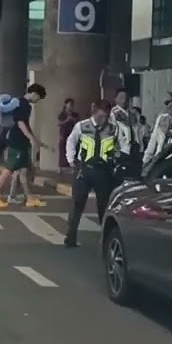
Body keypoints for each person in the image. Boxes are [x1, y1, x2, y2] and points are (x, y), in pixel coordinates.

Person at [63, 99, 122, 248]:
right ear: (94, 112)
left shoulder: (113, 128)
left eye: (106, 116)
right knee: (77, 204)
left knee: (104, 206)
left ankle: (106, 240)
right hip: (84, 169)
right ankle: (70, 237)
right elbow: (71, 141)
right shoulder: (82, 126)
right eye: (101, 116)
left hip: (103, 171)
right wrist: (70, 159)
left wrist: (117, 161)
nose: (103, 120)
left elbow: (120, 146)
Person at [0, 83, 48, 209]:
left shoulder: (23, 104)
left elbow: (25, 125)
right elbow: (20, 123)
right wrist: (31, 138)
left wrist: (33, 139)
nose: (37, 101)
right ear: (34, 94)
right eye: (38, 98)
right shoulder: (21, 104)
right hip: (17, 141)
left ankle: (29, 198)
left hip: (21, 141)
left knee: (23, 171)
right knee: (9, 168)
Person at [109, 88, 140, 179]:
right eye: (121, 97)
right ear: (115, 99)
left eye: (126, 98)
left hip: (135, 148)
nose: (124, 100)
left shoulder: (134, 113)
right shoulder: (113, 113)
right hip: (122, 148)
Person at [56, 98, 79, 172]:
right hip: (64, 134)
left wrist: (73, 120)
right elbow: (58, 123)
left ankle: (72, 166)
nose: (71, 106)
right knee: (62, 150)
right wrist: (67, 120)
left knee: (72, 149)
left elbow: (78, 123)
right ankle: (60, 167)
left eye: (72, 105)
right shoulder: (62, 114)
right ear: (66, 105)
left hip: (72, 134)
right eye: (70, 104)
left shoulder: (75, 114)